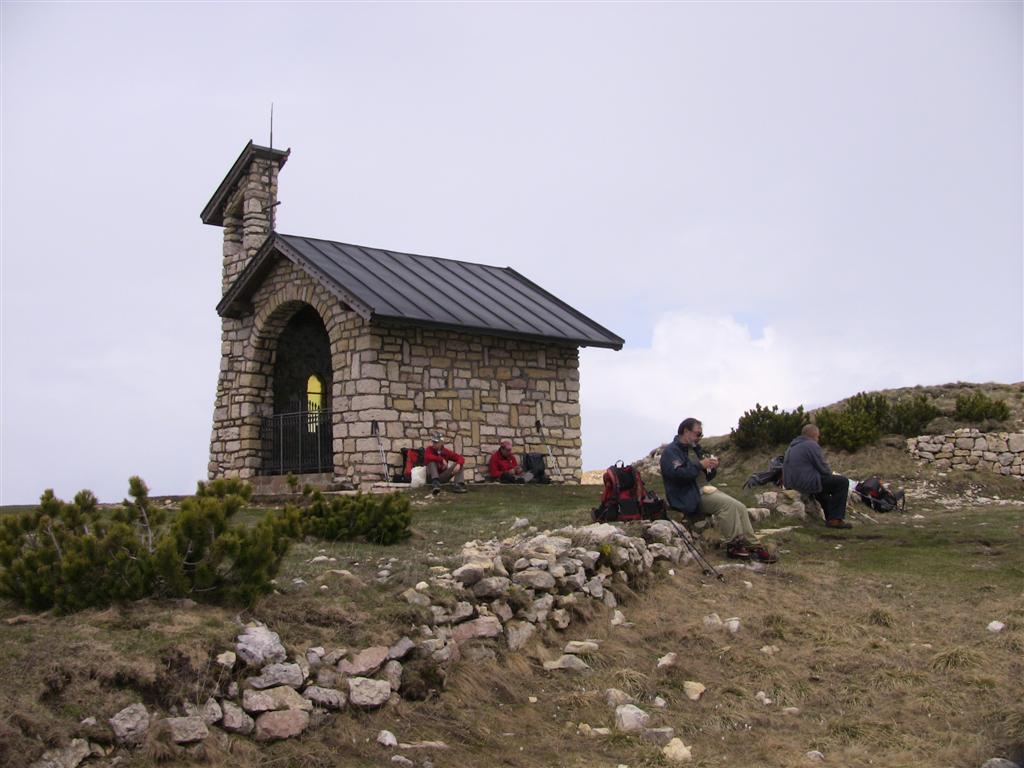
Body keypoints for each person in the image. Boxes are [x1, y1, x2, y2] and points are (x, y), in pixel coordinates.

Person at [660, 417, 776, 562]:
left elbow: (704, 475)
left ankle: (753, 546)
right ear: (685, 431)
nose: (699, 438)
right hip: (687, 495)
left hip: (702, 489)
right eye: (697, 434)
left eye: (701, 435)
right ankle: (734, 545)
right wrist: (700, 465)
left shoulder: (694, 449)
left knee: (740, 507)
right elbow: (678, 475)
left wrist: (711, 468)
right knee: (728, 506)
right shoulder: (671, 451)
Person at [783, 424, 852, 529]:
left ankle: (831, 519)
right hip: (804, 483)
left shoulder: (792, 446)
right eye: (818, 437)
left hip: (790, 483)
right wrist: (831, 475)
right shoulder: (811, 445)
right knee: (842, 482)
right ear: (813, 435)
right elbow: (823, 467)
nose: (818, 439)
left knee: (823, 492)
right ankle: (835, 520)